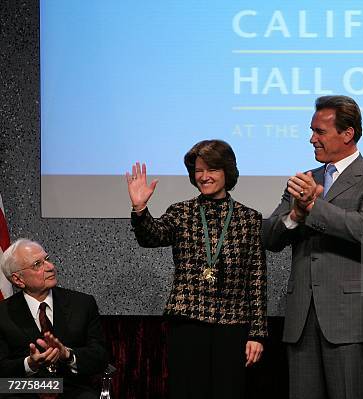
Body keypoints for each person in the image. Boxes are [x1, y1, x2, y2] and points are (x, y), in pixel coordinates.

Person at [262, 95, 363, 399]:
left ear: (347, 133)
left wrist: (313, 206)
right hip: (302, 319)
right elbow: (269, 238)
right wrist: (296, 214)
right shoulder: (303, 181)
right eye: (312, 131)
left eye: (320, 132)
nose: (312, 139)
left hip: (350, 321)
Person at [127, 139, 266, 399]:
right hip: (188, 321)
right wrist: (140, 208)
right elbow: (151, 237)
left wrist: (257, 333)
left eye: (212, 169)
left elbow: (256, 278)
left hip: (232, 324)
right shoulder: (181, 212)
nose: (204, 176)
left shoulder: (250, 219)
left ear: (227, 172)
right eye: (198, 171)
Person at [0, 239, 108, 399]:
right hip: (22, 387)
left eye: (47, 259)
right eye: (37, 264)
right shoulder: (2, 314)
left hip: (71, 385)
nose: (50, 267)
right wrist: (29, 364)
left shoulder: (82, 304)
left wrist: (67, 354)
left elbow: (100, 357)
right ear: (18, 280)